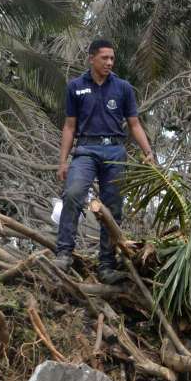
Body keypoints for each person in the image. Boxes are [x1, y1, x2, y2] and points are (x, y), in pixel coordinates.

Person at [54, 39, 155, 283]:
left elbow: (134, 124)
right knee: (73, 193)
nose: (109, 62)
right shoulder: (76, 87)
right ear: (91, 58)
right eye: (104, 58)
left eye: (112, 58)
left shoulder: (123, 88)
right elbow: (69, 126)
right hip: (86, 149)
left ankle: (106, 265)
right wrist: (63, 161)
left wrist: (148, 152)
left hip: (115, 152)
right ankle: (63, 253)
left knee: (113, 208)